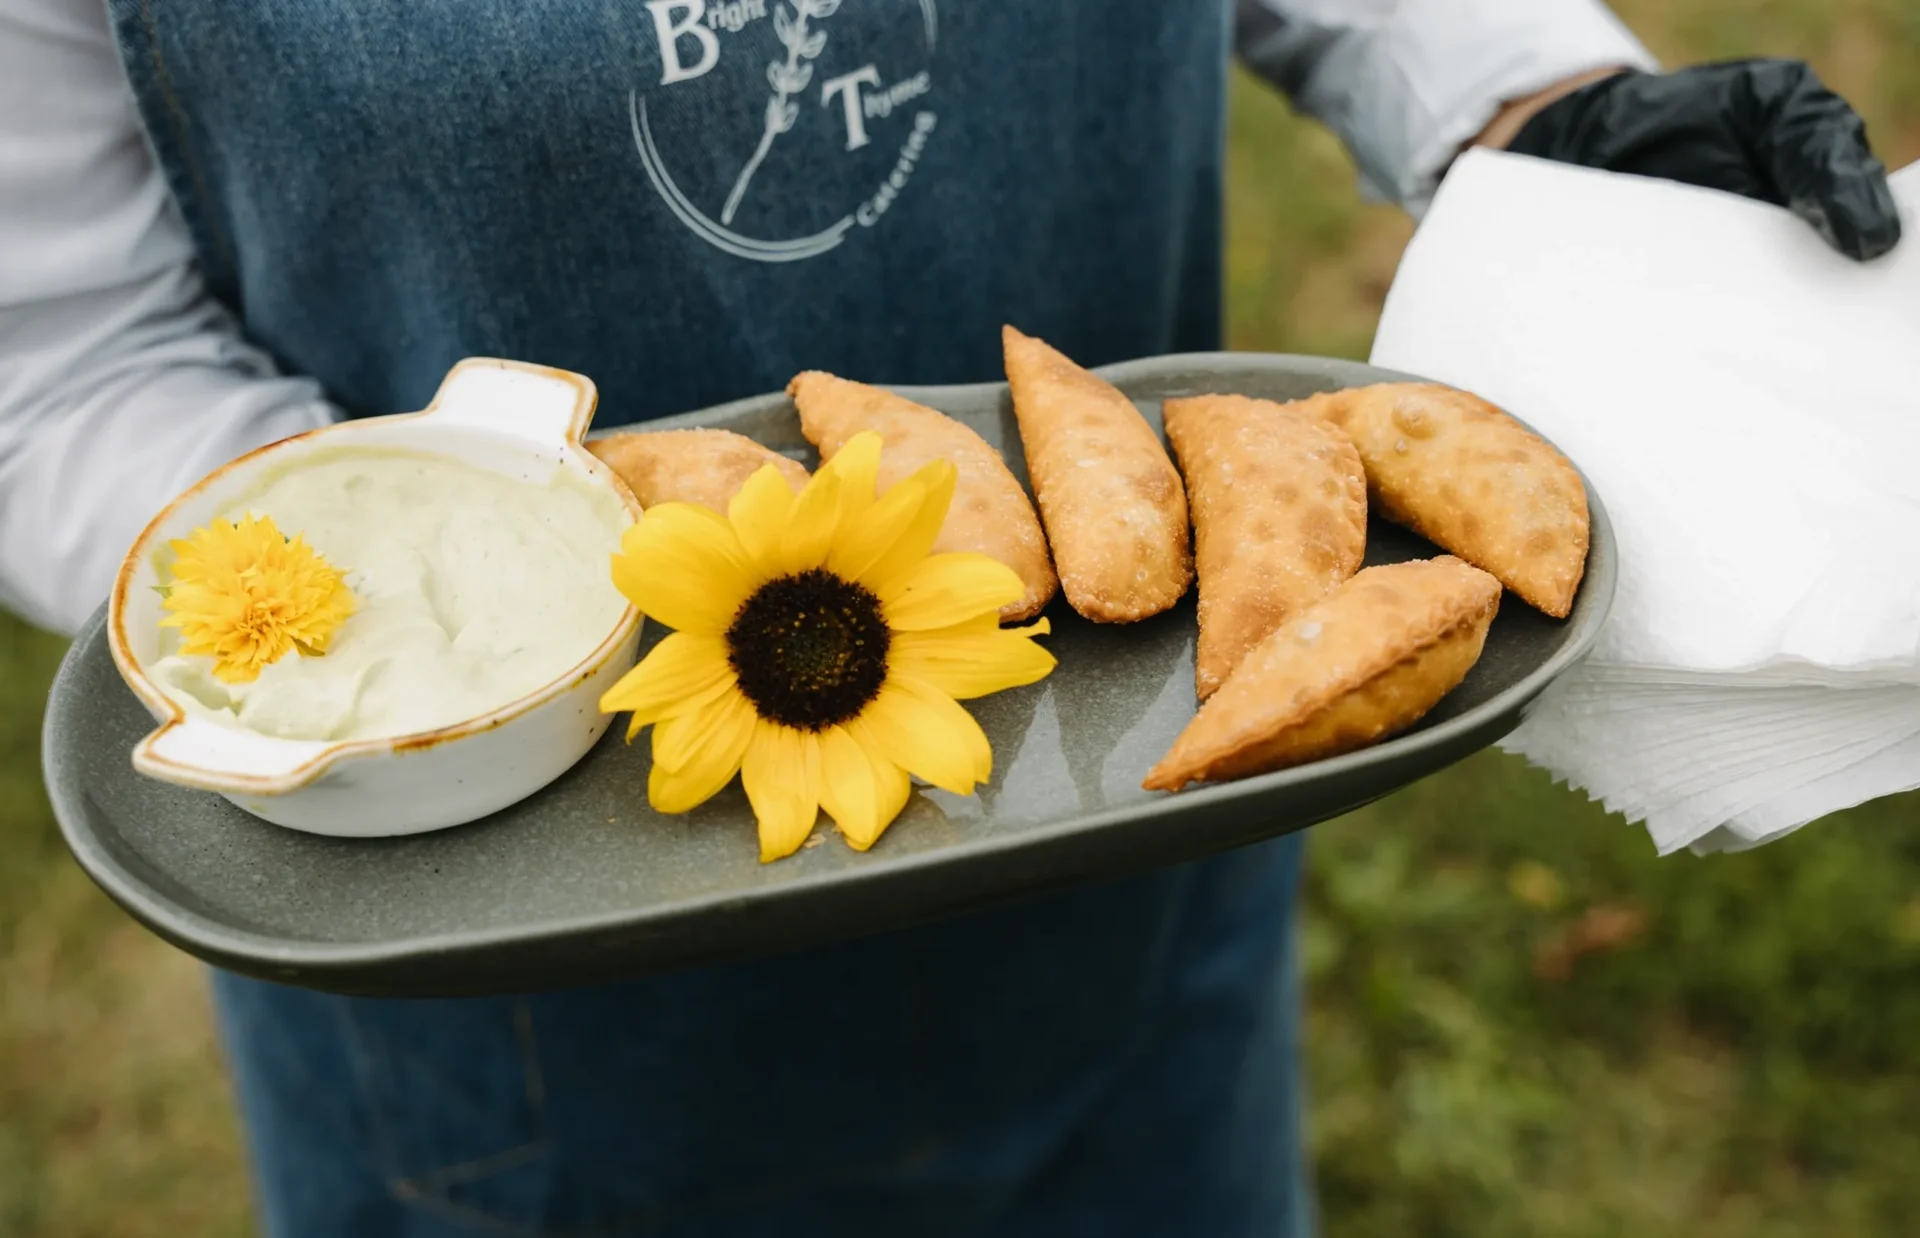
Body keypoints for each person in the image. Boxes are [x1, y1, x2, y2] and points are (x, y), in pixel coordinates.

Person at [0, 1, 1900, 1233]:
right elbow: (56, 364)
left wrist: (1534, 105)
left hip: (1142, 860)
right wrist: (438, 613)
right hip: (510, 1018)